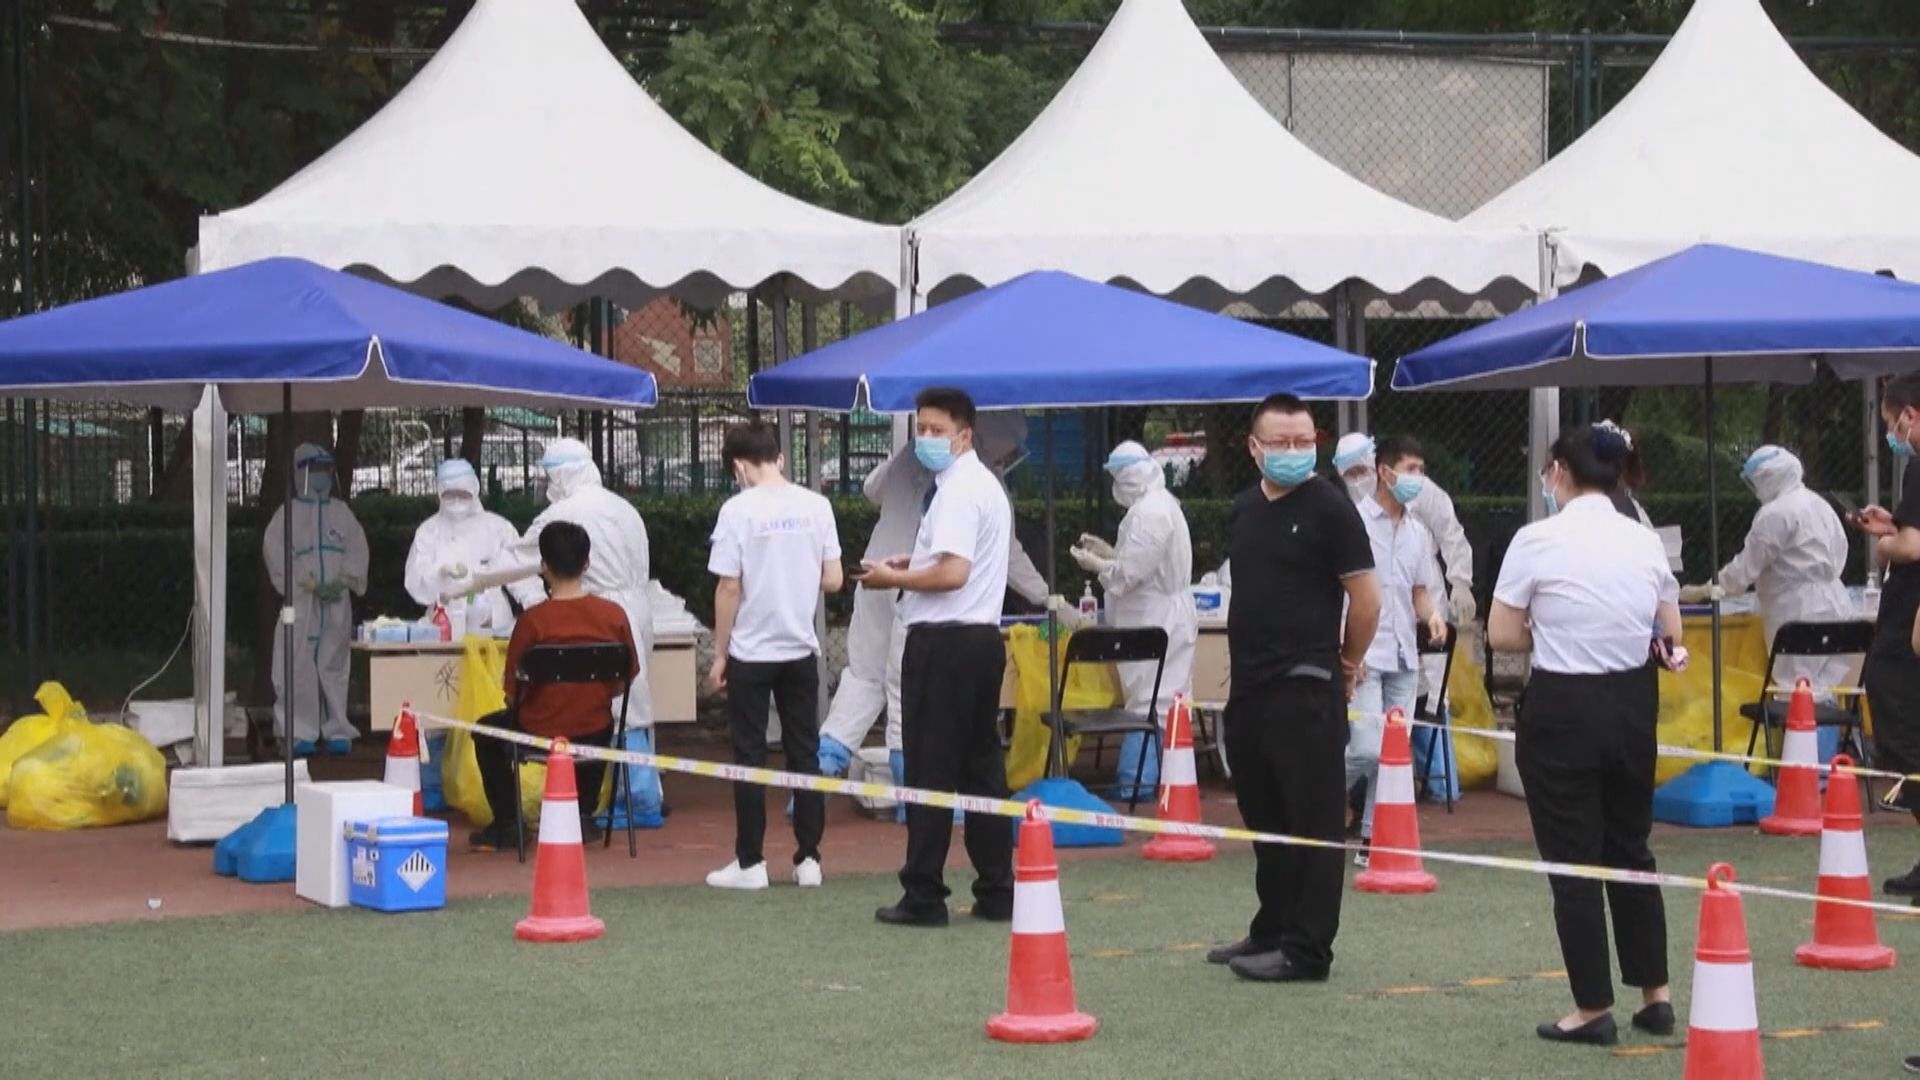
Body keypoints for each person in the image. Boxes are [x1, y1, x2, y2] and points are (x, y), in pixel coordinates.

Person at [1488, 422, 1681, 1046]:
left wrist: (1556, 630)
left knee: (1573, 859)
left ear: (1559, 472)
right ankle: (1656, 993)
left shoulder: (1536, 538)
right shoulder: (1643, 540)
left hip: (1564, 704)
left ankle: (1592, 1005)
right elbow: (1669, 629)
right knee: (1631, 849)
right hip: (1633, 704)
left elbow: (1502, 634)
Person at [1207, 394, 1379, 983]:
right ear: (1254, 448)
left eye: (1303, 441)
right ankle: (1271, 928)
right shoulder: (1244, 510)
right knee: (1265, 815)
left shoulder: (1331, 507)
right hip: (1250, 688)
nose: (1293, 452)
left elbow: (1367, 598)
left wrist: (1348, 663)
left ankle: (1308, 950)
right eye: (1280, 442)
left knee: (1312, 820)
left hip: (1307, 686)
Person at [817, 413, 1047, 800]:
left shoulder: (909, 455)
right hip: (916, 585)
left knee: (864, 674)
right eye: (1007, 452)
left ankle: (821, 770)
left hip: (875, 572)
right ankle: (914, 794)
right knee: (905, 688)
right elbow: (1008, 555)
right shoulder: (979, 482)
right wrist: (1045, 596)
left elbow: (872, 489)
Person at [859, 387, 1015, 927]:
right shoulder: (982, 486)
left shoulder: (957, 491)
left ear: (964, 435)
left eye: (935, 430)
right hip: (978, 641)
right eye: (920, 428)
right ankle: (998, 887)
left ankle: (924, 892)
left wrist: (894, 577)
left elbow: (952, 574)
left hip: (943, 642)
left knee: (929, 766)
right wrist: (915, 561)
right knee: (981, 769)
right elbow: (952, 562)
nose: (925, 439)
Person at [704, 421, 842, 891]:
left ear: (739, 466)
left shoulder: (736, 511)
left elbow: (728, 586)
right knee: (805, 752)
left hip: (752, 650)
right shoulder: (817, 506)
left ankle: (751, 862)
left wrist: (720, 655)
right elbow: (834, 580)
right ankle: (809, 860)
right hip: (801, 648)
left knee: (749, 753)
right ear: (779, 459)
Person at [455, 438, 655, 729]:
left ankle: (591, 769)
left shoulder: (563, 514)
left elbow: (516, 560)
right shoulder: (626, 508)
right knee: (631, 709)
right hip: (636, 614)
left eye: (550, 478)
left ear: (561, 476)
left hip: (595, 620)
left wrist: (467, 581)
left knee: (589, 707)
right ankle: (634, 772)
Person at [468, 521, 638, 852]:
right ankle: (583, 814)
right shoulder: (613, 616)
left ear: (543, 566)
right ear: (586, 563)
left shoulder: (532, 622)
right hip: (594, 729)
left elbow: (512, 694)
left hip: (537, 731)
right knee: (599, 721)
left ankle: (508, 823)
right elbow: (622, 683)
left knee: (486, 732)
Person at [1683, 446, 1853, 717]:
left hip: (1797, 611)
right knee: (1822, 694)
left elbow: (1744, 571)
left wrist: (1707, 589)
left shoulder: (1774, 514)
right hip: (1837, 606)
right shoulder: (1819, 504)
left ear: (1767, 477)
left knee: (1794, 695)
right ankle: (1825, 756)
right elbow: (1841, 550)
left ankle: (1798, 758)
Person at [1071, 440, 1197, 801]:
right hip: (1154, 617)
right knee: (1155, 700)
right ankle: (1152, 780)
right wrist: (1109, 554)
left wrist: (1100, 566)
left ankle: (1135, 781)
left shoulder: (1152, 512)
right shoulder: (1155, 507)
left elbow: (1130, 573)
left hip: (1157, 620)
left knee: (1150, 704)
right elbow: (1140, 563)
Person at [1348, 436, 1446, 865]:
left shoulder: (1417, 532)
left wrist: (1432, 616)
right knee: (1368, 748)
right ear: (1385, 472)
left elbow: (1419, 591)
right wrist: (1351, 651)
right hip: (1367, 653)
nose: (1417, 479)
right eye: (1410, 469)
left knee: (1392, 755)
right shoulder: (1354, 523)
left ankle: (1373, 838)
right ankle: (1308, 798)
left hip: (1405, 652)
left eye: (1421, 470)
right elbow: (1342, 593)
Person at [263, 443, 368, 757]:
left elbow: (357, 549)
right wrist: (301, 580)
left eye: (325, 471)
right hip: (302, 601)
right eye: (314, 471)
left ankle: (337, 727)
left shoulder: (341, 513)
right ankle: (298, 731)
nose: (320, 477)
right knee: (297, 663)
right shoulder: (288, 513)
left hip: (336, 601)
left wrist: (345, 578)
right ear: (300, 473)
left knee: (334, 663)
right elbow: (275, 552)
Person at [1858, 372, 1920, 897]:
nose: (1891, 434)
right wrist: (1892, 525)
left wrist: (1886, 546)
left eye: (1890, 423)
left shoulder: (1918, 467)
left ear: (1910, 415)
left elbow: (1914, 548)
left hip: (1909, 626)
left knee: (1902, 734)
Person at [404, 459, 520, 627]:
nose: (457, 501)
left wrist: (537, 602)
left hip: (494, 621)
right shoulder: (428, 531)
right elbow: (415, 582)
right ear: (439, 492)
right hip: (445, 620)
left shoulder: (497, 528)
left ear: (475, 489)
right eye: (450, 495)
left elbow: (519, 572)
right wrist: (440, 572)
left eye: (463, 494)